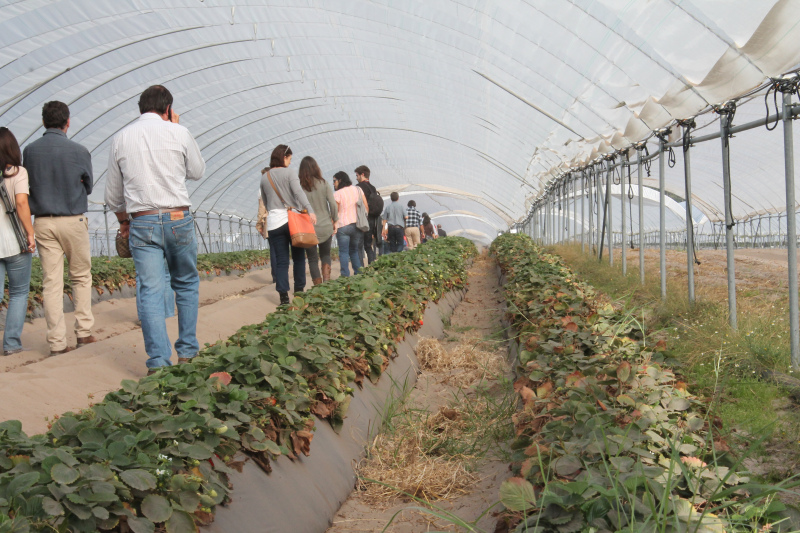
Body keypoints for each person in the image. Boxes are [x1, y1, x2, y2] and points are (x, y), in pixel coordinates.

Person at [105, 85, 205, 374]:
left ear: (140, 108)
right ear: (168, 109)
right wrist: (175, 129)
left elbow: (113, 197)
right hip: (178, 219)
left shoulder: (121, 138)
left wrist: (125, 221)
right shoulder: (179, 132)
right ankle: (187, 353)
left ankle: (158, 364)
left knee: (150, 289)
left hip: (142, 220)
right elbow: (197, 172)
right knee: (185, 283)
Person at [23, 101, 95, 356]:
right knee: (81, 276)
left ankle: (56, 343)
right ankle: (84, 333)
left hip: (43, 221)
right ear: (68, 122)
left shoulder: (30, 151)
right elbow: (88, 186)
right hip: (73, 220)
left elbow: (27, 186)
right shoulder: (79, 150)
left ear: (44, 122)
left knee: (51, 283)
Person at [260, 145, 316, 305]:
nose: (290, 163)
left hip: (274, 223)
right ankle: (299, 291)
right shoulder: (289, 173)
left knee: (282, 260)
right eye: (289, 159)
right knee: (298, 258)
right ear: (283, 157)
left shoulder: (265, 177)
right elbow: (298, 192)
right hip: (292, 221)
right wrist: (309, 210)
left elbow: (265, 201)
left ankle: (283, 296)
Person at [0, 129, 35, 356]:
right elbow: (21, 203)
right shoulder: (17, 173)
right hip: (15, 243)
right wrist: (30, 233)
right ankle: (11, 344)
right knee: (19, 293)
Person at [299, 156, 338, 285]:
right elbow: (332, 203)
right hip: (325, 225)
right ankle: (326, 283)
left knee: (312, 258)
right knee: (325, 254)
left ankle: (317, 287)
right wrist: (335, 220)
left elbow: (297, 208)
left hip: (308, 227)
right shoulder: (324, 183)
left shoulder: (300, 187)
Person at [333, 171, 367, 277]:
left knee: (343, 252)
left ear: (340, 180)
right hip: (357, 225)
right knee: (354, 251)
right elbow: (365, 207)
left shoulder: (337, 194)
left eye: (334, 181)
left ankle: (345, 275)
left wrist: (333, 225)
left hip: (343, 226)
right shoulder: (358, 189)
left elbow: (335, 212)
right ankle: (359, 274)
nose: (333, 183)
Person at [355, 165, 382, 264]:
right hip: (372, 220)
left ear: (362, 174)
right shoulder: (373, 188)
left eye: (357, 175)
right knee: (368, 245)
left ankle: (360, 269)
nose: (356, 178)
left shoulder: (358, 187)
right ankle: (371, 267)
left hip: (362, 219)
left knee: (358, 245)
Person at [256, 169, 277, 283]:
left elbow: (261, 209)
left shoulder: (262, 189)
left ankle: (276, 277)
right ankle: (282, 275)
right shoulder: (278, 186)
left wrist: (259, 224)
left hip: (270, 222)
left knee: (273, 250)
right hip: (282, 221)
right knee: (281, 250)